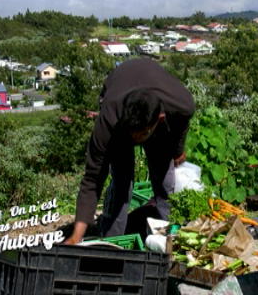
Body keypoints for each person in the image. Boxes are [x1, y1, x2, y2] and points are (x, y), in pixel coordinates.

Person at [64, 58, 195, 244]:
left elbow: (182, 124)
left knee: (165, 181)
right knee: (122, 182)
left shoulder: (181, 104)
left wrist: (177, 150)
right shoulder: (109, 121)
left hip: (157, 114)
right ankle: (113, 242)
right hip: (119, 96)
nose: (136, 141)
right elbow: (92, 179)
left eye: (140, 135)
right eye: (132, 135)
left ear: (159, 119)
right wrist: (76, 236)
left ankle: (166, 238)